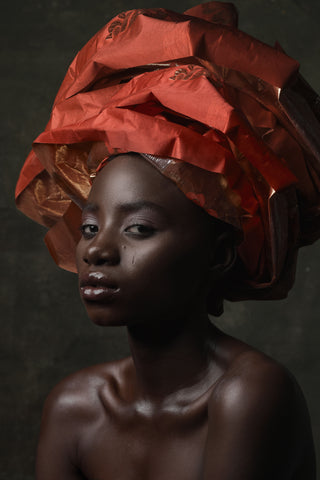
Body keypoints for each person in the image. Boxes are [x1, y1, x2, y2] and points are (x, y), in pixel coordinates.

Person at [15, 2, 320, 479]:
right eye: (90, 227)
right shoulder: (75, 408)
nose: (96, 250)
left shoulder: (251, 395)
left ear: (218, 255)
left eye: (138, 229)